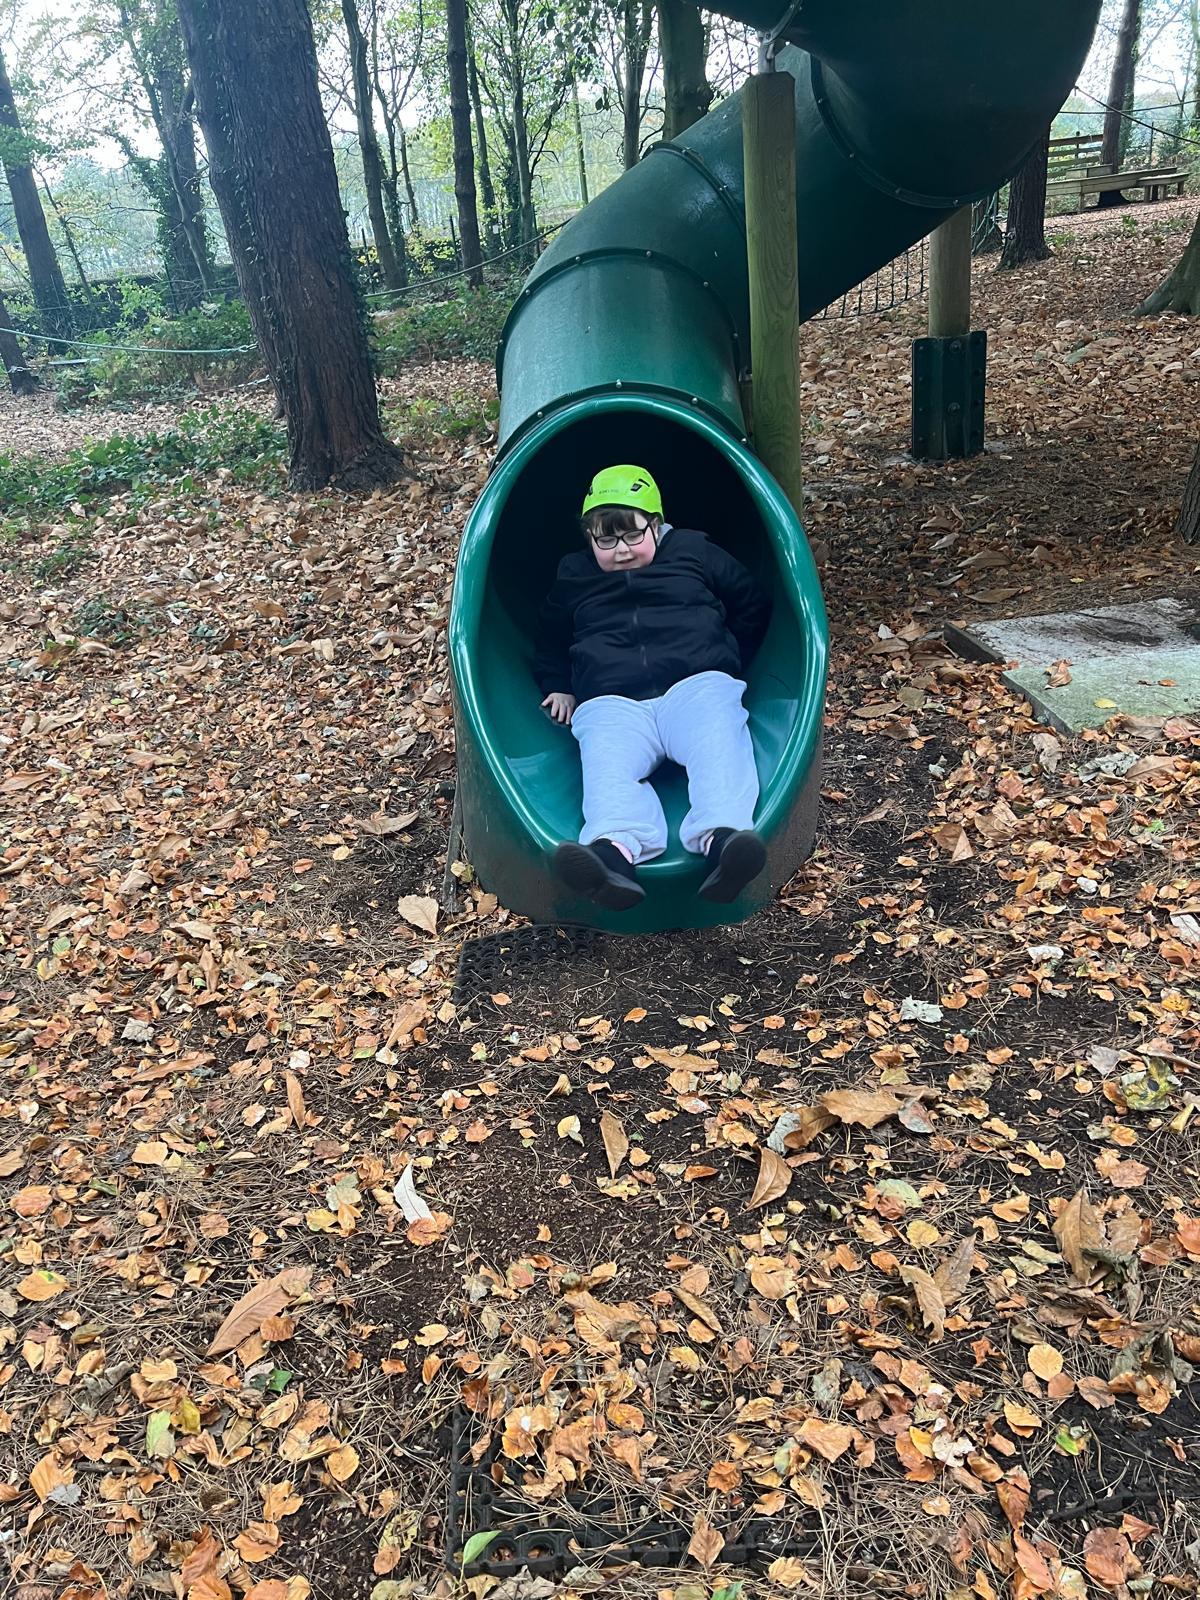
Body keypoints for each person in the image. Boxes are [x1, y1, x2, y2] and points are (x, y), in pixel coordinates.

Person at [534, 464, 771, 912]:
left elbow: (750, 599)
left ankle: (723, 841)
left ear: (657, 526)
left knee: (717, 745)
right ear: (589, 538)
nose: (622, 550)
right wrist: (558, 684)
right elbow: (550, 636)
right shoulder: (574, 574)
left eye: (632, 535)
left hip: (693, 685)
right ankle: (613, 855)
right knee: (606, 765)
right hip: (612, 700)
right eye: (606, 540)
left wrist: (729, 654)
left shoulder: (692, 550)